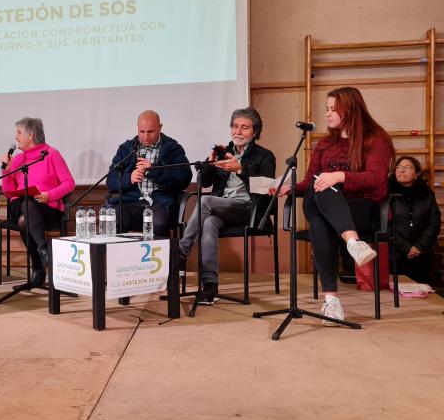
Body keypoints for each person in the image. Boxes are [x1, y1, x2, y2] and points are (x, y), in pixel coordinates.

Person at [275, 87, 394, 324]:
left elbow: (376, 178)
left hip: (358, 207)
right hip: (322, 202)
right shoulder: (325, 143)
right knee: (319, 188)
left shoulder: (376, 138)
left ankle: (331, 302)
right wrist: (290, 188)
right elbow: (310, 181)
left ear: (349, 111)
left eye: (333, 109)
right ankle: (353, 243)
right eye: (326, 109)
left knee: (320, 225)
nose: (327, 114)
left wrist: (339, 177)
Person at [179, 107, 276, 305]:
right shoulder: (224, 153)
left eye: (244, 127)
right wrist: (210, 162)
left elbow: (265, 189)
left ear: (255, 132)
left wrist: (240, 169)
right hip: (222, 208)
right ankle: (210, 287)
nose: (238, 132)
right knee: (209, 223)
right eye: (235, 126)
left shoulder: (264, 156)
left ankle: (182, 251)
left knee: (205, 201)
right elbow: (204, 183)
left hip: (249, 209)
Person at [1, 117, 75, 288]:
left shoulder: (51, 154)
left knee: (24, 220)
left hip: (46, 207)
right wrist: (6, 171)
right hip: (18, 205)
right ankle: (44, 251)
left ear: (31, 135)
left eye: (19, 133)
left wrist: (49, 195)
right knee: (26, 202)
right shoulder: (18, 160)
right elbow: (7, 190)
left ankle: (38, 272)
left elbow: (69, 183)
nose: (16, 137)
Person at [106, 110, 192, 238]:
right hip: (131, 202)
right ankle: (119, 256)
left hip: (160, 204)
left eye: (150, 132)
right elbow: (110, 181)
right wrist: (129, 178)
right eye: (142, 132)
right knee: (114, 218)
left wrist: (154, 170)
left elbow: (184, 178)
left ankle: (156, 258)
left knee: (157, 222)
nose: (145, 136)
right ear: (137, 129)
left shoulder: (173, 148)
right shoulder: (126, 149)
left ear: (160, 127)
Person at [388, 155, 441, 284]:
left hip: (422, 253)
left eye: (407, 168)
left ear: (416, 174)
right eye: (398, 167)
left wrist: (418, 247)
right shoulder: (387, 194)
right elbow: (384, 225)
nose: (401, 170)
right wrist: (407, 247)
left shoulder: (427, 194)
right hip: (396, 253)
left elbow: (434, 222)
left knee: (422, 292)